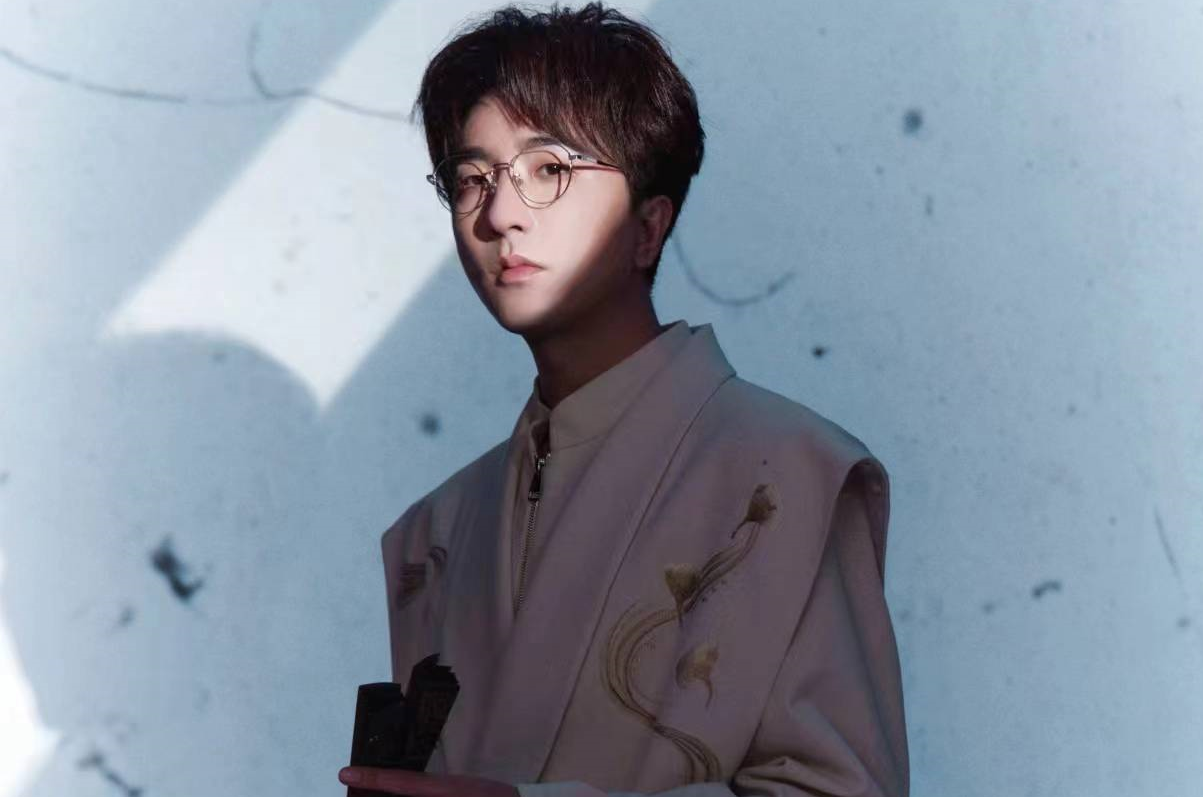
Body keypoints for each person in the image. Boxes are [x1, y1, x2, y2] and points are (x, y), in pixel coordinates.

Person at [338, 3, 909, 796]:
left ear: (648, 224)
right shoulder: (436, 529)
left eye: (549, 170)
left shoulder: (791, 472)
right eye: (472, 179)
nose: (499, 215)